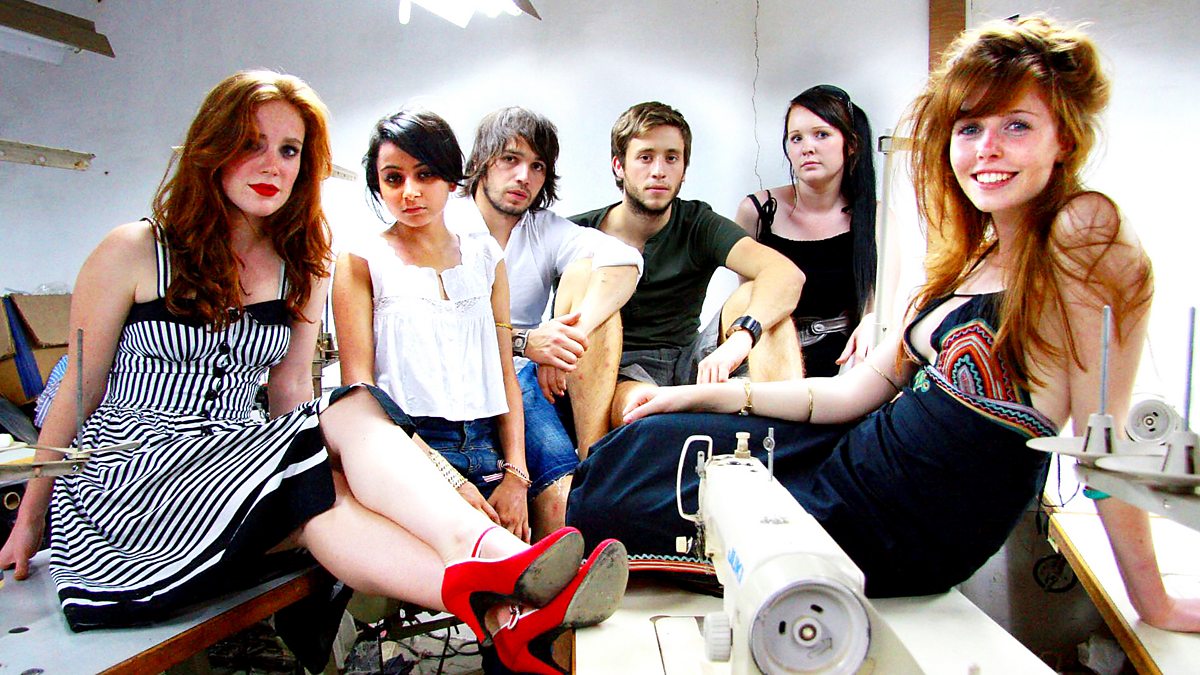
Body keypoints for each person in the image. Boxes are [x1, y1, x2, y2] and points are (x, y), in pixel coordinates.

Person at [567, 17, 1200, 631]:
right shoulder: (974, 257)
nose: (988, 149)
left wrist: (1154, 604)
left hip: (898, 517)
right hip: (850, 455)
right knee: (635, 452)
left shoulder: (1083, 229)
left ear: (1064, 138)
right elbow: (846, 393)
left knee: (620, 500)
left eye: (1017, 125)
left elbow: (1101, 440)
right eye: (970, 128)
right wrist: (694, 396)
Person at [0, 71, 628, 674]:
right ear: (211, 149)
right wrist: (31, 521)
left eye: (289, 150)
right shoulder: (135, 250)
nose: (272, 165)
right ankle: (501, 560)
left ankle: (501, 614)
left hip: (234, 463)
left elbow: (292, 392)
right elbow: (76, 391)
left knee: (329, 472)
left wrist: (332, 465)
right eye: (250, 144)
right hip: (136, 476)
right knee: (347, 417)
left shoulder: (301, 262)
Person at [334, 109, 541, 543]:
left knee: (511, 549)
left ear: (450, 178)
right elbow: (360, 392)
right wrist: (446, 478)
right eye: (393, 179)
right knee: (476, 556)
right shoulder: (361, 260)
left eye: (425, 174)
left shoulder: (486, 256)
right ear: (378, 185)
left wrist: (516, 475)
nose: (409, 192)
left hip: (488, 445)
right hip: (406, 448)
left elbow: (504, 372)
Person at [445, 107, 642, 534]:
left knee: (589, 274)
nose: (524, 177)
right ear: (482, 162)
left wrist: (568, 338)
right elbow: (437, 323)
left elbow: (626, 260)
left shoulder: (542, 228)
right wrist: (526, 342)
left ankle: (592, 460)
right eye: (510, 160)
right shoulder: (445, 221)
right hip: (458, 374)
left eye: (537, 166)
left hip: (523, 377)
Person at [570, 101, 805, 432]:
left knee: (755, 297)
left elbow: (786, 274)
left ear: (684, 168)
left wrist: (742, 337)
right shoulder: (576, 234)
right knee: (640, 399)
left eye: (671, 158)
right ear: (619, 166)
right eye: (645, 157)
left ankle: (787, 449)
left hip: (691, 360)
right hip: (619, 374)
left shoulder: (698, 223)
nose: (659, 171)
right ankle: (593, 457)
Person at [734, 85, 878, 376]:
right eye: (796, 138)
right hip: (774, 362)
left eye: (821, 134)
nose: (807, 148)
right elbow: (749, 298)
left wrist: (872, 323)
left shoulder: (877, 217)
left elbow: (884, 306)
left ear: (851, 144)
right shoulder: (757, 211)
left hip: (850, 367)